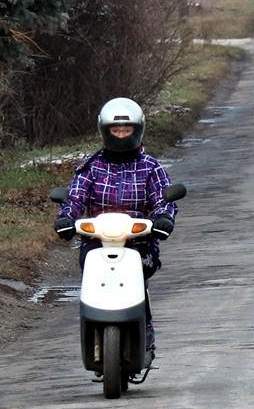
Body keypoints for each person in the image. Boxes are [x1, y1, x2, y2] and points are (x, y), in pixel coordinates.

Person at [53, 97, 178, 351]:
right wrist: (66, 217)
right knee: (89, 269)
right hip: (96, 242)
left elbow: (163, 198)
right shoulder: (91, 167)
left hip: (139, 243)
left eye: (127, 130)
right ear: (105, 131)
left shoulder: (151, 167)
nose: (121, 136)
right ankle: (92, 325)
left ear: (138, 130)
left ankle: (146, 324)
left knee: (141, 271)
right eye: (116, 130)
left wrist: (164, 217)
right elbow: (75, 196)